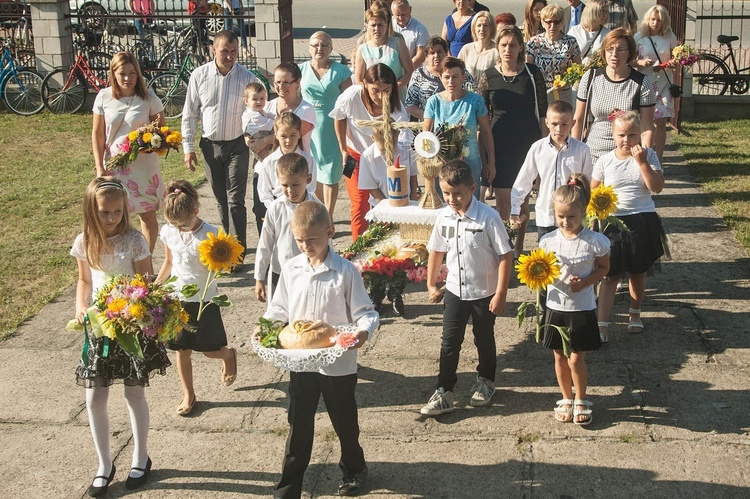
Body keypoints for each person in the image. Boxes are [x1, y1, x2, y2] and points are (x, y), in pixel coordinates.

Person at [260, 201, 379, 498]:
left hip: (338, 364)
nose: (305, 246)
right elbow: (278, 308)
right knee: (298, 426)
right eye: (299, 240)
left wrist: (362, 332)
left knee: (345, 423)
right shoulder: (291, 268)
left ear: (330, 232)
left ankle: (353, 467)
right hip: (300, 363)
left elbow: (365, 312)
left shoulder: (345, 272)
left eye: (312, 240)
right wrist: (265, 327)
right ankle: (288, 489)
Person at [71, 177, 169, 497]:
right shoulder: (85, 243)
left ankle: (141, 457)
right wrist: (80, 307)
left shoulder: (135, 241)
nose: (112, 218)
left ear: (125, 209)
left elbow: (146, 281)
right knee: (95, 398)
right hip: (100, 327)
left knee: (133, 394)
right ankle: (104, 463)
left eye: (117, 211)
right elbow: (85, 281)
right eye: (104, 212)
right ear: (91, 211)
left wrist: (138, 308)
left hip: (131, 326)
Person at [421, 160, 513, 416]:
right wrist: (431, 284)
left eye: (458, 193)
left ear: (472, 188)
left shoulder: (488, 217)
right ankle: (444, 390)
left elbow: (506, 255)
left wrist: (501, 294)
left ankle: (486, 381)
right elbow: (437, 250)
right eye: (446, 193)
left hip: (484, 292)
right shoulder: (443, 217)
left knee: (484, 340)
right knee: (449, 343)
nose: (452, 199)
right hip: (454, 291)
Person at [155, 180, 238, 417]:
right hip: (177, 299)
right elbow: (169, 262)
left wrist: (221, 262)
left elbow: (223, 263)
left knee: (209, 350)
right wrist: (157, 287)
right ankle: (189, 394)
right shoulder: (169, 231)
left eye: (183, 224)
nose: (179, 228)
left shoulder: (210, 234)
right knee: (182, 350)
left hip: (205, 299)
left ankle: (227, 354)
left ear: (196, 211)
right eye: (174, 224)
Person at [539, 174, 610, 425]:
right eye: (560, 217)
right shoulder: (547, 241)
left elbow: (604, 268)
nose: (566, 222)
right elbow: (541, 270)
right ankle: (565, 397)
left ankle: (581, 397)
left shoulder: (594, 242)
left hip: (581, 307)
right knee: (558, 355)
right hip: (555, 307)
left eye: (571, 216)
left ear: (583, 212)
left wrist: (586, 282)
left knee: (577, 357)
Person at [182, 31, 258, 263]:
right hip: (210, 145)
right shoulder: (199, 75)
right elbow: (190, 112)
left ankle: (238, 253)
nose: (230, 56)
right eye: (224, 51)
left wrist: (256, 142)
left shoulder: (247, 78)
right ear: (213, 49)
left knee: (236, 199)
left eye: (234, 51)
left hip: (237, 145)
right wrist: (188, 146)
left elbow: (256, 112)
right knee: (220, 199)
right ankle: (227, 246)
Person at [592, 111, 668, 342]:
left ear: (640, 135)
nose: (627, 140)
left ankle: (635, 313)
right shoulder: (605, 160)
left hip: (641, 218)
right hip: (613, 221)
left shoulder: (649, 155)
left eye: (632, 134)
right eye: (622, 135)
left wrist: (642, 162)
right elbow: (593, 191)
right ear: (613, 136)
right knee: (609, 274)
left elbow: (657, 187)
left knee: (637, 271)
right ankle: (602, 325)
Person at [478, 25, 547, 253]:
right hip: (499, 143)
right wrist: (486, 155)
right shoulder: (487, 76)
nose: (508, 49)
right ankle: (504, 246)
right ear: (497, 47)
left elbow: (543, 113)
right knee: (503, 202)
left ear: (520, 48)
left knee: (523, 200)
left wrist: (546, 146)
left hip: (528, 144)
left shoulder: (532, 73)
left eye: (513, 45)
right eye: (504, 45)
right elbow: (482, 116)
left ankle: (518, 246)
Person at [92, 51, 165, 256]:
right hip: (114, 167)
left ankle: (145, 260)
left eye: (132, 73)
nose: (128, 78)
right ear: (113, 74)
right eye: (122, 73)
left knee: (147, 217)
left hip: (144, 168)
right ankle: (119, 259)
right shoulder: (104, 97)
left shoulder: (149, 98)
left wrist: (149, 142)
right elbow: (97, 134)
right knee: (113, 216)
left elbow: (163, 133)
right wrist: (99, 166)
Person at [330, 63, 409, 241]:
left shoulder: (396, 107)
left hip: (382, 158)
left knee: (388, 201)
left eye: (386, 90)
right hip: (354, 155)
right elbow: (338, 117)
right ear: (365, 84)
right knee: (359, 203)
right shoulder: (351, 96)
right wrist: (343, 149)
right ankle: (359, 247)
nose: (381, 97)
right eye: (375, 91)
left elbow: (403, 136)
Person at [510, 100, 593, 252]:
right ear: (547, 123)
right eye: (554, 124)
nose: (559, 129)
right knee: (547, 264)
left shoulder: (582, 150)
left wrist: (586, 213)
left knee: (572, 258)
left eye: (564, 124)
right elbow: (524, 180)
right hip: (546, 216)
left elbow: (587, 183)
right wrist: (515, 209)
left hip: (572, 218)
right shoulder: (538, 148)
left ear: (573, 123)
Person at [572, 28, 655, 163]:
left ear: (629, 53)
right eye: (610, 49)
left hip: (627, 157)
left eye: (620, 50)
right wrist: (574, 152)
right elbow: (579, 119)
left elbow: (646, 127)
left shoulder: (642, 83)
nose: (614, 54)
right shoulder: (590, 78)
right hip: (593, 154)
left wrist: (645, 158)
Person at [250, 62, 316, 231]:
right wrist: (250, 140)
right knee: (263, 216)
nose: (281, 86)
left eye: (286, 82)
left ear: (297, 82)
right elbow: (251, 132)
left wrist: (265, 140)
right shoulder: (266, 106)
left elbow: (294, 131)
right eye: (277, 82)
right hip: (266, 168)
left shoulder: (306, 109)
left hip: (296, 168)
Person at [423, 57, 494, 199]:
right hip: (442, 166)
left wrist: (491, 162)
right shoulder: (434, 102)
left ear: (463, 77)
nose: (451, 82)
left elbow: (486, 131)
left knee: (471, 204)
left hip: (470, 164)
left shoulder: (475, 101)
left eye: (455, 77)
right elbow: (426, 134)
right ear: (440, 77)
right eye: (447, 77)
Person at [300, 31, 353, 219]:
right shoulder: (300, 70)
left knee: (330, 173)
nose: (319, 49)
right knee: (314, 172)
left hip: (333, 126)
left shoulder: (342, 71)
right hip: (308, 128)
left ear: (331, 49)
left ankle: (328, 216)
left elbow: (348, 101)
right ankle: (319, 212)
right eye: (315, 45)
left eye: (324, 45)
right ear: (309, 48)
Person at [256, 152, 320, 302]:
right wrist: (259, 277)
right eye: (285, 185)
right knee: (278, 319)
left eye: (296, 184)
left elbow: (326, 242)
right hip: (280, 273)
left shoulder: (317, 208)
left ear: (308, 179)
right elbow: (265, 244)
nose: (291, 190)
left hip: (309, 273)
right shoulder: (275, 208)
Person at [634, 5, 679, 163]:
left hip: (663, 83)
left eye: (659, 20)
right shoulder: (639, 37)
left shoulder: (669, 37)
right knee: (644, 121)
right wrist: (641, 62)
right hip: (643, 82)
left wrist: (674, 62)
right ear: (648, 20)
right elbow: (631, 61)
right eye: (653, 19)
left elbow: (677, 55)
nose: (655, 23)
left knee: (661, 121)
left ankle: (658, 158)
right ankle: (644, 155)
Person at [256, 113, 316, 214]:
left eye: (293, 135)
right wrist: (274, 208)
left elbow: (310, 187)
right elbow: (264, 190)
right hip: (278, 210)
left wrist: (300, 207)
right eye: (284, 136)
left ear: (300, 134)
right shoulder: (269, 162)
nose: (288, 140)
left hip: (301, 209)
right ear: (276, 134)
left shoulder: (308, 160)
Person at [404, 36, 475, 120]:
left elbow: (474, 94)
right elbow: (409, 105)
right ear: (426, 56)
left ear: (446, 53)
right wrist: (430, 117)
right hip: (429, 125)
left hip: (459, 123)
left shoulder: (459, 71)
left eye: (440, 52)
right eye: (432, 53)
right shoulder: (418, 74)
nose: (436, 56)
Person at [526, 4, 582, 104]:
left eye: (557, 22)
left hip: (563, 93)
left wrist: (566, 81)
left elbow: (578, 69)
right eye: (548, 22)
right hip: (540, 93)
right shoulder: (534, 42)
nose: (552, 26)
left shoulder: (571, 42)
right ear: (542, 23)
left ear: (562, 23)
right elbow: (529, 70)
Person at [354, 8, 414, 95]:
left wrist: (392, 88)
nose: (376, 28)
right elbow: (359, 81)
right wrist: (374, 91)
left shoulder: (398, 43)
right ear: (367, 26)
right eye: (373, 25)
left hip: (397, 95)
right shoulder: (362, 49)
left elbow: (410, 72)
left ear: (386, 25)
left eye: (380, 25)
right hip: (373, 99)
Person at [358, 127, 419, 208]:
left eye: (393, 146)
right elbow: (372, 188)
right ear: (373, 137)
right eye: (383, 149)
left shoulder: (406, 148)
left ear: (398, 134)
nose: (389, 150)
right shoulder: (367, 157)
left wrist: (413, 197)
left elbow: (413, 175)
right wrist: (386, 208)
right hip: (381, 204)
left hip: (408, 203)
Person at [457, 10, 498, 82]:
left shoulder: (496, 51)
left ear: (491, 29)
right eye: (479, 25)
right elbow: (457, 71)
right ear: (474, 29)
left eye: (486, 25)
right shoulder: (467, 49)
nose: (482, 29)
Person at [568, 0, 610, 66]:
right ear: (591, 12)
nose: (605, 15)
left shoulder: (607, 33)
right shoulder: (575, 31)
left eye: (606, 12)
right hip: (577, 72)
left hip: (599, 72)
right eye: (602, 11)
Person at [391, 0, 430, 68]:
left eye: (404, 14)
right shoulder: (388, 26)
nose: (400, 18)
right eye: (397, 15)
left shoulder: (420, 29)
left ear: (410, 9)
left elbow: (421, 55)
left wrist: (405, 70)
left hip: (411, 71)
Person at [241, 82, 274, 163]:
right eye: (254, 99)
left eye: (262, 98)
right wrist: (281, 120)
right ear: (246, 101)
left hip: (260, 141)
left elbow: (268, 115)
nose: (259, 102)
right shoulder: (253, 116)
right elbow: (271, 124)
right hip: (259, 141)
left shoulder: (259, 111)